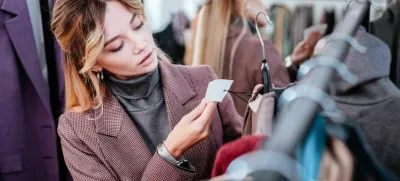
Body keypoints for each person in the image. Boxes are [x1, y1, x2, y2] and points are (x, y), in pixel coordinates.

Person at [51, 0, 242, 180]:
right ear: (90, 63)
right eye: (118, 46)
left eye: (138, 25)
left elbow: (247, 156)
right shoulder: (77, 130)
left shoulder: (203, 79)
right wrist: (171, 151)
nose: (140, 44)